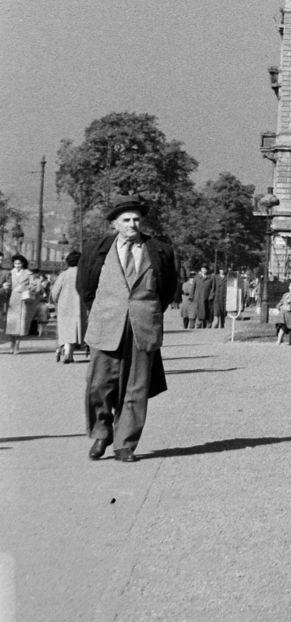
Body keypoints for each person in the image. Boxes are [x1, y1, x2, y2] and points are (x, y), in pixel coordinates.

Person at [77, 198, 181, 462]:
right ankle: (102, 432)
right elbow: (86, 288)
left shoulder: (160, 250)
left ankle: (125, 444)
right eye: (126, 220)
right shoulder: (95, 250)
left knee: (136, 386)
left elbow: (168, 289)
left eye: (136, 219)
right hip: (106, 323)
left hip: (143, 325)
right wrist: (105, 309)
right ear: (114, 224)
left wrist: (146, 311)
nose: (132, 224)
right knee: (99, 383)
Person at [6, 255, 45, 353]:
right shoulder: (11, 273)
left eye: (19, 263)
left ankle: (17, 346)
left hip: (24, 299)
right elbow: (7, 283)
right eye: (15, 263)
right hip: (12, 300)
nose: (17, 265)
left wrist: (26, 288)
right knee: (12, 323)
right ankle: (12, 343)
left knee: (20, 323)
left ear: (23, 263)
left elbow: (33, 285)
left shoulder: (29, 273)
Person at [52, 250, 85, 363]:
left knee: (66, 328)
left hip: (64, 305)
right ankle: (70, 354)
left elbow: (55, 292)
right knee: (76, 329)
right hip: (79, 305)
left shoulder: (63, 274)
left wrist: (56, 301)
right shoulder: (83, 274)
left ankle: (67, 352)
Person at [190, 266, 215, 332]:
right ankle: (198, 325)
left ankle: (208, 325)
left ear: (207, 270)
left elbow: (213, 288)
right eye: (202, 269)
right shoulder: (196, 277)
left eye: (205, 269)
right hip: (198, 297)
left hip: (207, 298)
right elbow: (193, 287)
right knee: (198, 311)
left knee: (207, 311)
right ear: (201, 270)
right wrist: (191, 296)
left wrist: (211, 296)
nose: (204, 270)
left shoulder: (211, 278)